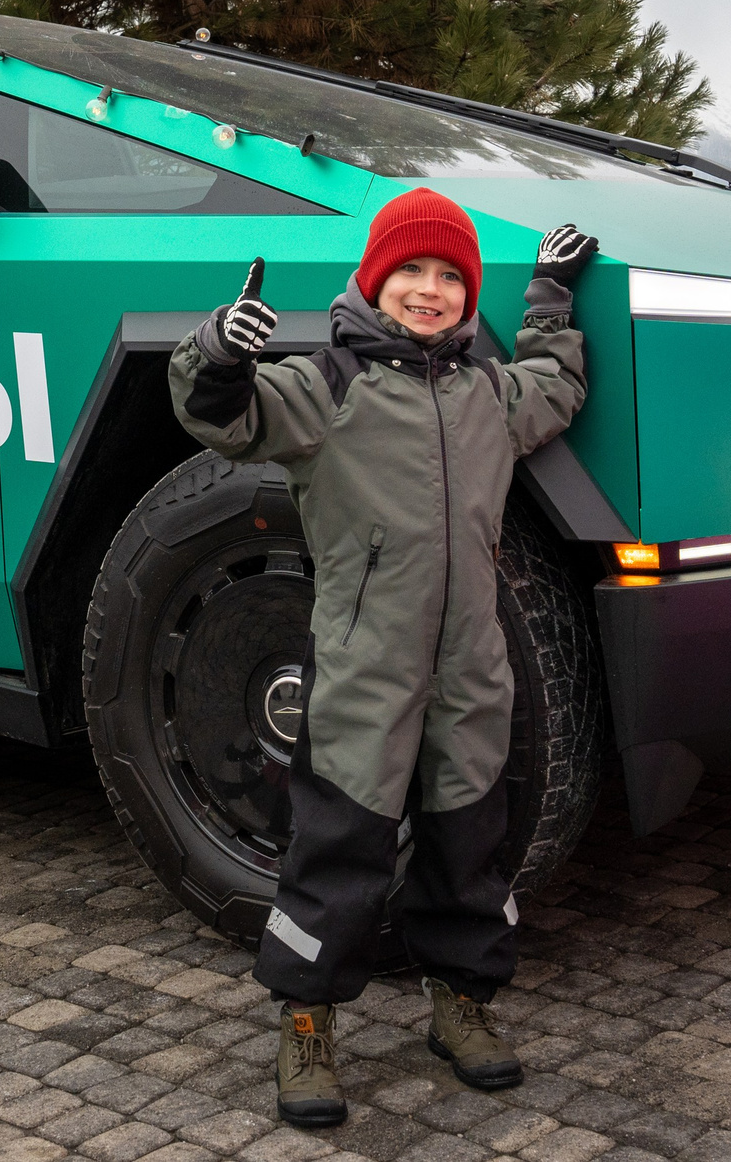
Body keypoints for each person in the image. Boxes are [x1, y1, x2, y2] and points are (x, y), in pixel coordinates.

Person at [168, 188, 597, 1128]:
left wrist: (552, 301)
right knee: (340, 846)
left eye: (451, 276)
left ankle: (461, 1003)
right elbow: (225, 419)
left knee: (471, 842)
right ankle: (307, 1020)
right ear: (375, 280)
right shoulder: (326, 388)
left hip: (471, 667)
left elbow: (556, 388)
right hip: (366, 668)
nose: (432, 290)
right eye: (413, 271)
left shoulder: (488, 391)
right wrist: (220, 352)